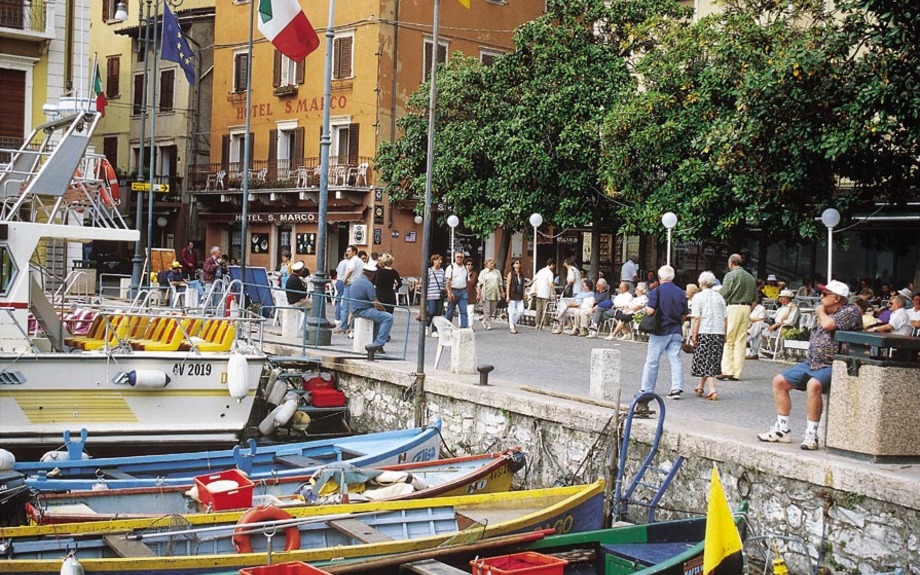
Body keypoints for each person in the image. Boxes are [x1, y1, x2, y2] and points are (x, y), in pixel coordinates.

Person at [758, 280, 861, 450]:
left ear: (837, 298)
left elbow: (829, 325)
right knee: (779, 381)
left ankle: (811, 434)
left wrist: (820, 310)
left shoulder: (850, 311)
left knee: (814, 385)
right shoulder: (826, 311)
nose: (821, 297)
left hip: (834, 363)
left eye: (825, 294)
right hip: (811, 362)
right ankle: (782, 429)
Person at [637, 265, 689, 403]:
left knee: (652, 361)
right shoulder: (680, 292)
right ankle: (676, 388)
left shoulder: (657, 291)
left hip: (661, 330)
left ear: (660, 278)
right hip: (676, 329)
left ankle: (646, 389)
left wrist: (645, 309)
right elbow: (684, 314)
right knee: (675, 359)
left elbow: (650, 311)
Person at [718, 253, 757, 382]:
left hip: (733, 306)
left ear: (731, 263)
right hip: (746, 308)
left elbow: (724, 293)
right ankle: (736, 372)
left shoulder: (730, 276)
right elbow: (755, 298)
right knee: (740, 341)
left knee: (729, 339)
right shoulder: (750, 277)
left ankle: (727, 370)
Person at [689, 271, 726, 400]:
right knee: (712, 359)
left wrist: (694, 335)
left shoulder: (698, 297)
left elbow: (697, 318)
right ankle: (700, 386)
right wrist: (725, 333)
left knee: (706, 360)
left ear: (701, 282)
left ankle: (712, 390)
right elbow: (725, 318)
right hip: (719, 332)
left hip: (705, 331)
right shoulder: (719, 297)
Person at [349, 262, 393, 353]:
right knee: (388, 317)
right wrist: (384, 310)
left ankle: (374, 341)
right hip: (363, 310)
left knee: (378, 321)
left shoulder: (356, 281)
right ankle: (378, 343)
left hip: (355, 309)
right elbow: (375, 302)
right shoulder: (368, 285)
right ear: (372, 275)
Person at [340, 245, 363, 333]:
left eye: (349, 251)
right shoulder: (360, 261)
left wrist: (345, 280)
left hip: (349, 284)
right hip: (357, 284)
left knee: (345, 306)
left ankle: (343, 327)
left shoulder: (352, 261)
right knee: (354, 306)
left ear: (354, 252)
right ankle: (352, 326)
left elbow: (350, 270)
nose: (347, 253)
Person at [444, 251, 470, 328]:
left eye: (461, 257)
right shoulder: (450, 268)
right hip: (453, 291)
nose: (459, 258)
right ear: (455, 258)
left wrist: (467, 292)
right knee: (450, 311)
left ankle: (464, 327)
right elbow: (448, 281)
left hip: (463, 291)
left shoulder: (465, 268)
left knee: (464, 311)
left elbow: (467, 281)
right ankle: (447, 327)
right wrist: (449, 292)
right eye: (458, 257)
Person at [477, 258, 503, 330]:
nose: (492, 265)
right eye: (491, 263)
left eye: (493, 263)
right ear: (486, 264)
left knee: (492, 309)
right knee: (487, 310)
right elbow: (479, 284)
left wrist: (502, 292)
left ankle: (484, 320)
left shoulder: (497, 272)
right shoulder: (483, 272)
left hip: (495, 293)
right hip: (486, 293)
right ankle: (488, 324)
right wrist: (478, 294)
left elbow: (500, 283)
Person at [532, 259, 556, 330]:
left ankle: (537, 323)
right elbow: (551, 284)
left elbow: (534, 279)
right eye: (553, 266)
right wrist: (554, 292)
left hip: (539, 292)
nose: (553, 267)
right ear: (552, 264)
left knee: (538, 309)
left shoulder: (541, 271)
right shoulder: (550, 273)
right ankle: (545, 324)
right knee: (545, 309)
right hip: (545, 293)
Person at [426, 254, 446, 337]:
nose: (440, 262)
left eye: (441, 260)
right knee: (431, 311)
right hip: (431, 294)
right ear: (434, 261)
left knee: (438, 313)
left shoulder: (442, 271)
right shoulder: (429, 271)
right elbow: (426, 283)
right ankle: (426, 325)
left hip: (439, 295)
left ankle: (435, 330)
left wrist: (445, 289)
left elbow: (444, 282)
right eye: (438, 260)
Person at [334, 247, 353, 329]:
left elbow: (337, 270)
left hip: (338, 280)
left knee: (339, 299)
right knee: (344, 301)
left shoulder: (341, 262)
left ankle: (337, 317)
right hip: (344, 281)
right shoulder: (349, 263)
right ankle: (340, 317)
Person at [505, 259, 526, 334]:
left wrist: (524, 295)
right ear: (513, 265)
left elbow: (523, 285)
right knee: (511, 311)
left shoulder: (522, 274)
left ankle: (513, 322)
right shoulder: (511, 274)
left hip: (519, 294)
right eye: (516, 263)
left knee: (521, 311)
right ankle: (512, 327)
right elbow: (508, 285)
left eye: (519, 263)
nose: (518, 264)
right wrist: (507, 296)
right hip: (512, 294)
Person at [465, 259, 479, 326]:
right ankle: (461, 325)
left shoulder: (474, 274)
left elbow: (477, 285)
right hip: (463, 294)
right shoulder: (462, 273)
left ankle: (470, 325)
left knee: (471, 311)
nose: (470, 266)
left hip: (471, 295)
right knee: (462, 311)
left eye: (471, 264)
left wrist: (478, 294)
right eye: (468, 264)